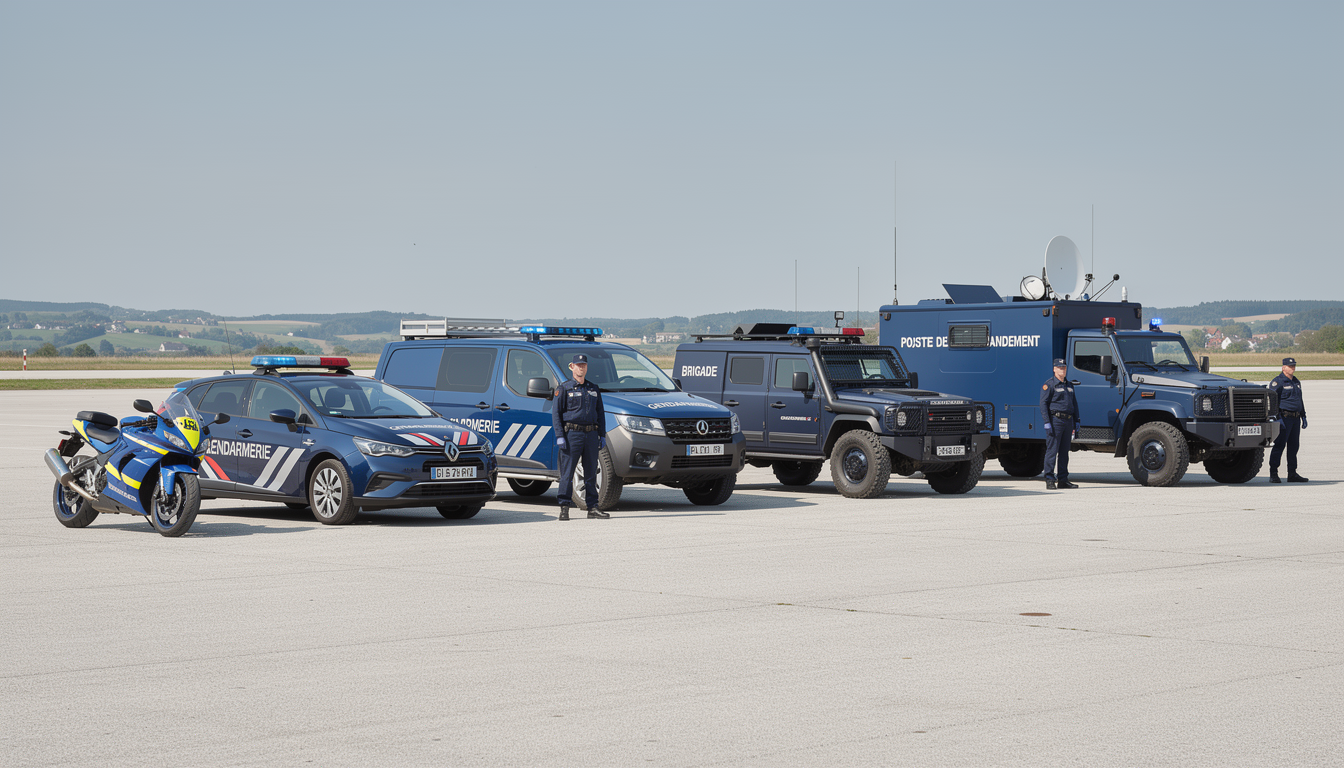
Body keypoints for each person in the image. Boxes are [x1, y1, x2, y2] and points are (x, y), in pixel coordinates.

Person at [553, 353, 610, 519]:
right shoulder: (564, 388)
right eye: (578, 365)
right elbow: (556, 413)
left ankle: (593, 507)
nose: (581, 368)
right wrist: (560, 436)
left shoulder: (593, 388)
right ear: (572, 367)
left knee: (591, 473)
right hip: (572, 435)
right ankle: (564, 507)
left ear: (586, 367)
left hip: (591, 434)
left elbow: (600, 413)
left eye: (584, 365)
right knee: (568, 473)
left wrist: (601, 434)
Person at [1039, 358, 1079, 490]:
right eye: (1060, 368)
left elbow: (1074, 404)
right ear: (1054, 369)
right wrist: (1047, 422)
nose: (1063, 370)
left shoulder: (1069, 385)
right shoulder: (1049, 385)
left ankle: (1063, 479)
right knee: (1052, 451)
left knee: (1064, 452)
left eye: (1064, 368)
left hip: (1068, 421)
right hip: (1055, 421)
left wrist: (1076, 421)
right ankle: (1050, 479)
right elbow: (1043, 404)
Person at [1268, 357, 1309, 483]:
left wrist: (1303, 415)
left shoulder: (1296, 381)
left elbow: (1299, 400)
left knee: (1294, 446)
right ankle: (1273, 474)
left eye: (1294, 366)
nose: (1293, 368)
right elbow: (1272, 400)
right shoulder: (1278, 382)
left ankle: (1292, 473)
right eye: (1290, 366)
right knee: (1280, 445)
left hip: (1295, 419)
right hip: (1284, 418)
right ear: (1283, 367)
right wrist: (1275, 417)